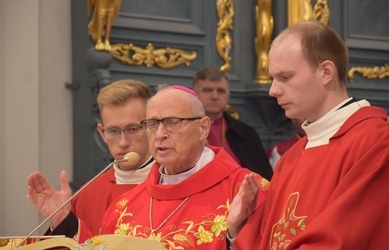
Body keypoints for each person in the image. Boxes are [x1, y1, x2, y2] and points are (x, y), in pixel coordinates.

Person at [27, 84, 269, 249]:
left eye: (172, 123)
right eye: (152, 124)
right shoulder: (123, 207)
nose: (160, 134)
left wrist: (235, 235)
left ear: (203, 128)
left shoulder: (247, 190)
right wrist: (63, 221)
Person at [227, 21, 389, 249]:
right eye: (272, 78)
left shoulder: (374, 143)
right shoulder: (291, 157)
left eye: (285, 77)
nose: (273, 90)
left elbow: (344, 241)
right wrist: (236, 229)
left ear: (326, 72)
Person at [27, 79, 154, 235]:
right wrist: (62, 220)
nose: (122, 142)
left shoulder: (174, 184)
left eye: (133, 129)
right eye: (113, 131)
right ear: (102, 133)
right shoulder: (86, 196)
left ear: (151, 126)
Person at [193, 67, 273, 180]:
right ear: (195, 94)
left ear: (228, 96)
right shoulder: (184, 131)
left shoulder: (246, 134)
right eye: (207, 90)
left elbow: (264, 178)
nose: (214, 96)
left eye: (221, 91)